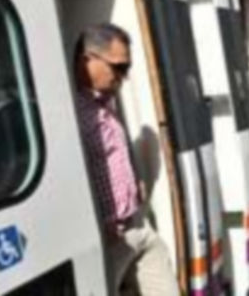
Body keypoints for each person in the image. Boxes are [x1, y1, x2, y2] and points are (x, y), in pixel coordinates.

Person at [74, 23, 179, 296]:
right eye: (119, 67)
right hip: (108, 239)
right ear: (87, 61)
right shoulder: (70, 111)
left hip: (135, 224)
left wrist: (135, 182)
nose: (124, 76)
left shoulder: (105, 102)